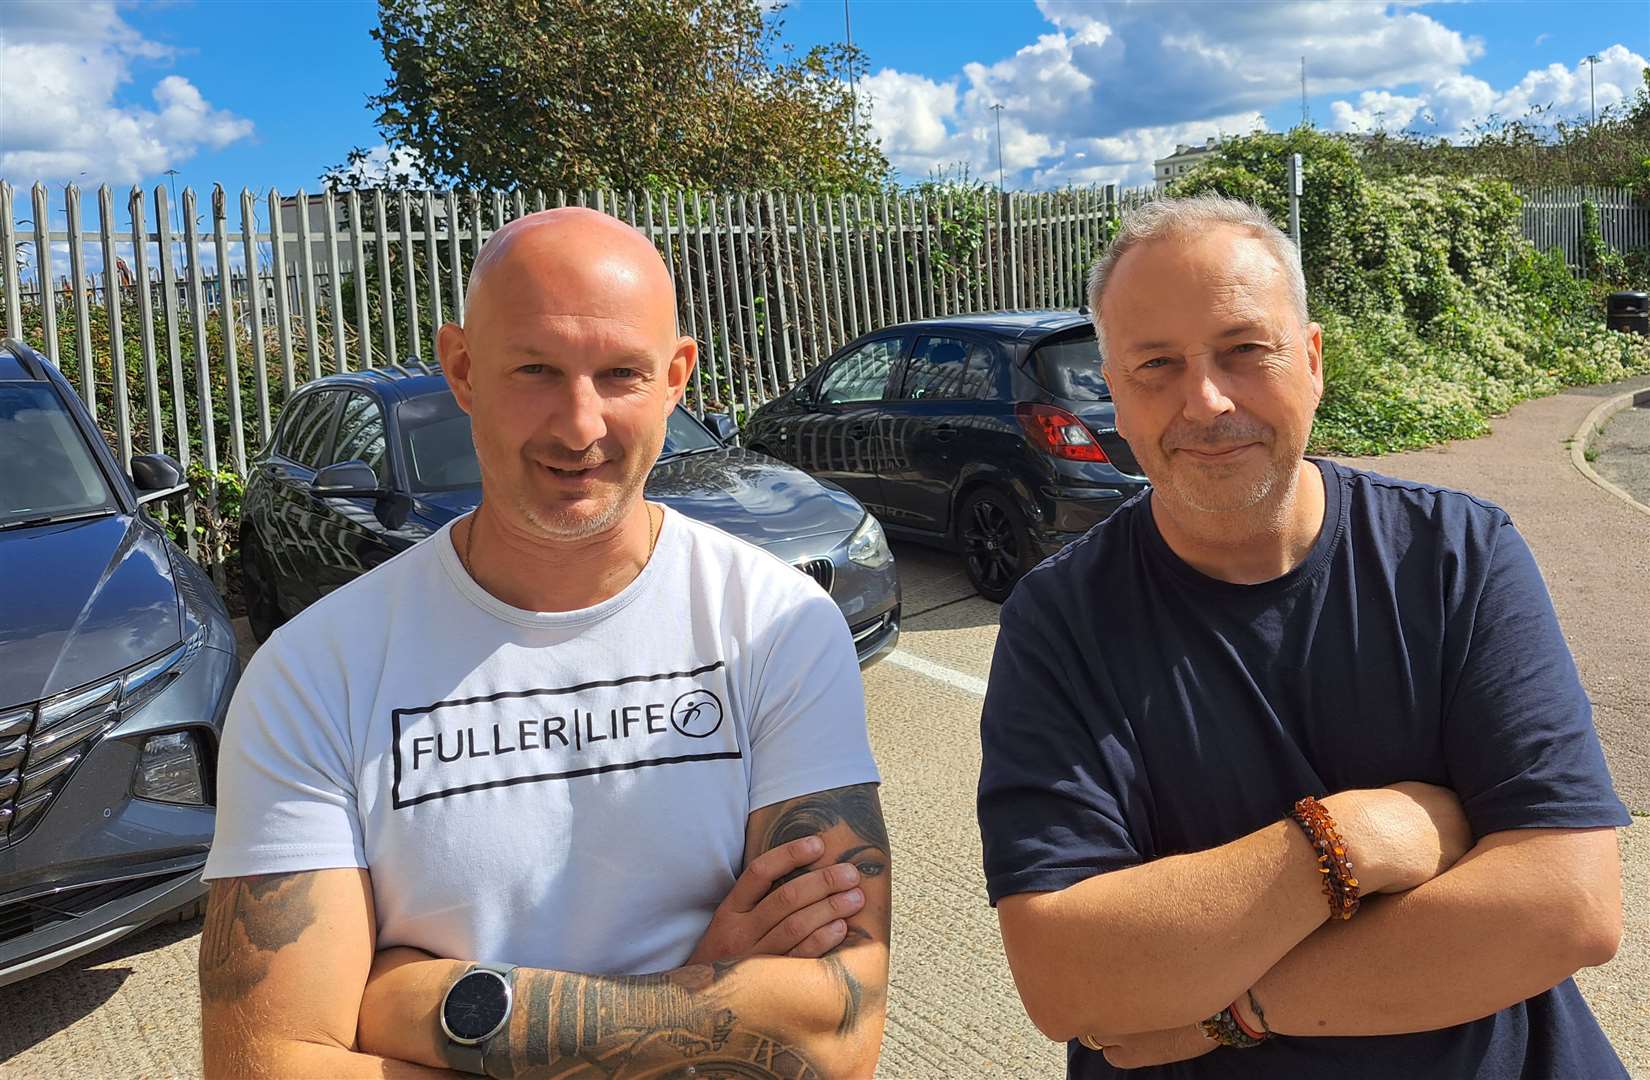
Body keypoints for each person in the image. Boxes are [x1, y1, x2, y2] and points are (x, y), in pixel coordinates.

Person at [199, 208, 890, 1078]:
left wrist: (437, 1010)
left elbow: (835, 1033)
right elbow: (264, 1065)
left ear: (677, 378)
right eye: (535, 370)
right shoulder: (312, 675)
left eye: (620, 374)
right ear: (462, 369)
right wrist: (698, 996)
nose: (578, 425)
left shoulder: (776, 629)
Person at [976, 195, 1627, 1078]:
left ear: (1312, 360)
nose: (1205, 401)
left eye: (1245, 351)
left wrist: (1231, 1013)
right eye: (1155, 365)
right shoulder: (1059, 621)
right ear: (1115, 396)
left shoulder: (1456, 556)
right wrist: (1352, 838)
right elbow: (1069, 977)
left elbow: (1566, 906)